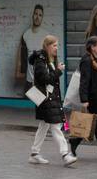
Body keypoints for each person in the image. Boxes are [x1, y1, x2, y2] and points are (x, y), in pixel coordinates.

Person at [28, 35, 76, 166]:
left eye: (57, 45)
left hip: (51, 98)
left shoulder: (51, 60)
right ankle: (65, 154)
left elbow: (52, 81)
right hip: (45, 99)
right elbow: (44, 79)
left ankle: (34, 153)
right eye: (54, 45)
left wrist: (56, 69)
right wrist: (59, 71)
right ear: (47, 46)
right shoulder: (40, 60)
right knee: (56, 126)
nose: (56, 48)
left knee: (44, 126)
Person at [14, 3, 51, 90]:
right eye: (35, 14)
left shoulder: (46, 35)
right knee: (28, 103)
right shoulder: (26, 35)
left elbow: (51, 58)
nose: (37, 17)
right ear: (32, 15)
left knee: (43, 104)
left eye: (40, 15)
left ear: (42, 18)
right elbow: (22, 57)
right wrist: (19, 72)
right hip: (29, 81)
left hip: (42, 81)